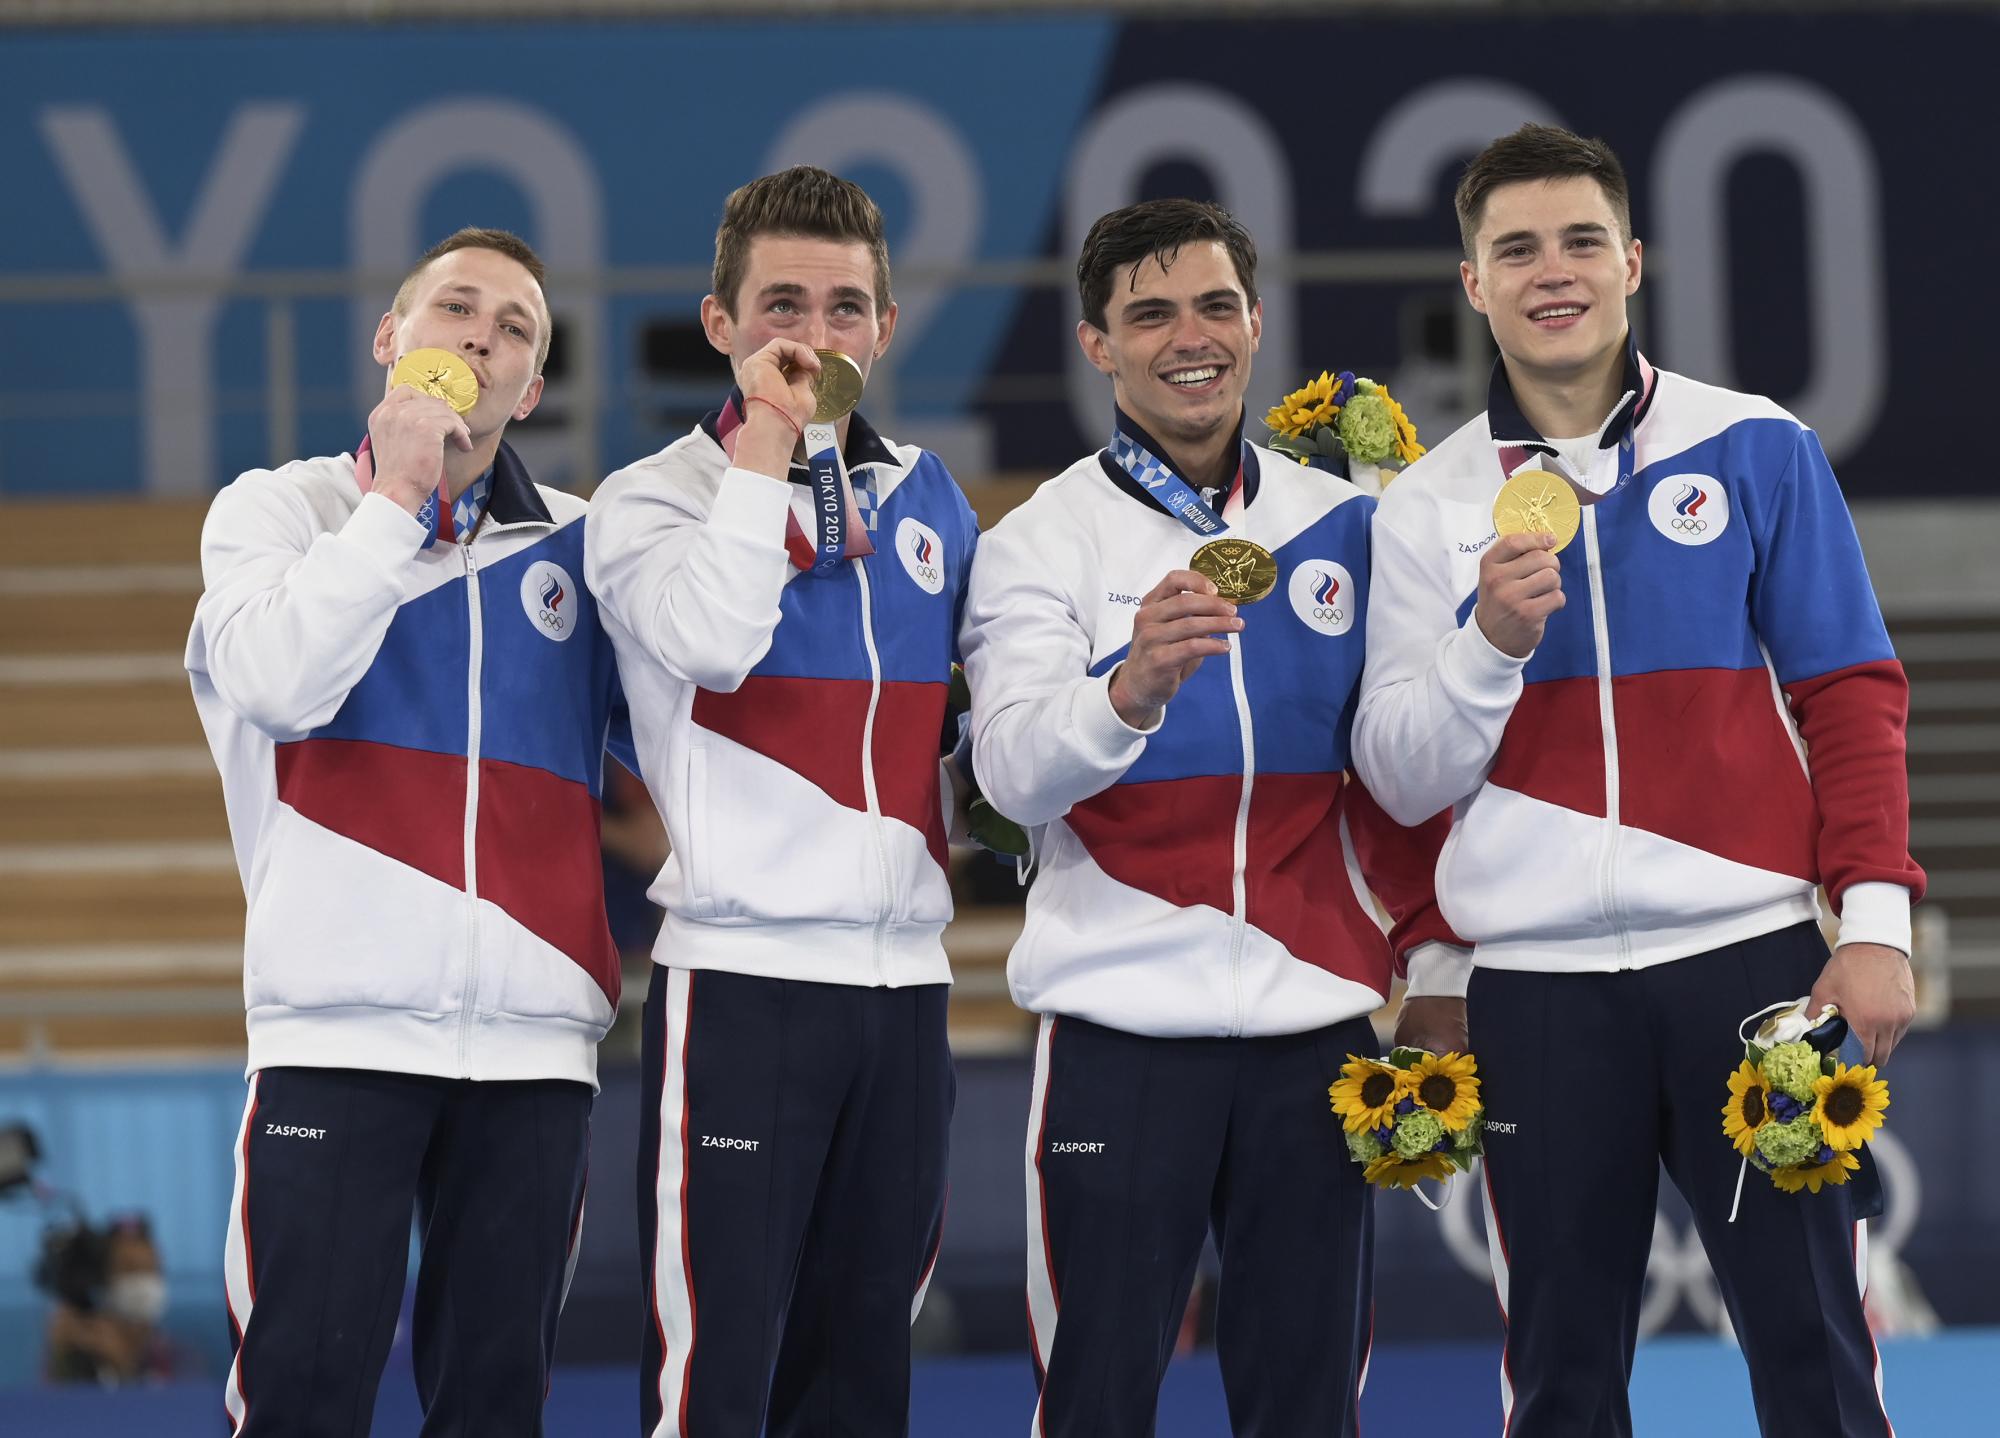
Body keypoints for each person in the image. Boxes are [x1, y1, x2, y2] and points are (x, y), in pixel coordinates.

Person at [1352, 123, 1921, 1437]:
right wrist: (1486, 644)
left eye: (1580, 241)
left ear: (1632, 262)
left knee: (1817, 1350)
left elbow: (1849, 692)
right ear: (1473, 281)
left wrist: (1876, 924)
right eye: (1517, 249)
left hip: (1755, 972)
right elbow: (1395, 772)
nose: (1554, 271)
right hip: (1538, 996)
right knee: (1559, 1375)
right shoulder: (1426, 507)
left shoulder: (1757, 446)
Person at [960, 197, 1459, 1438]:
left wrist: (1438, 954)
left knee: (1307, 1411)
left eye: (1215, 306)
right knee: (1094, 1404)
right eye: (1149, 314)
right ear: (1097, 345)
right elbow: (1009, 777)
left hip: (1317, 1033)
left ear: (1253, 320)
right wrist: (1122, 691)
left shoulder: (1346, 520)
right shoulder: (1038, 541)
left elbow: (1407, 774)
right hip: (1118, 1036)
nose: (1190, 338)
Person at [187, 228, 631, 1437]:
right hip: (336, 1033)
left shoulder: (587, 548)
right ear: (392, 340)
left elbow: (704, 727)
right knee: (302, 1401)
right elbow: (278, 682)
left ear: (531, 390)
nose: (480, 334)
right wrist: (392, 504)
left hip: (536, 1055)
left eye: (515, 328)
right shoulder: (277, 511)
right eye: (454, 309)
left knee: (495, 1410)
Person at [585, 166, 978, 1438]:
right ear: (719, 324)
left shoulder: (931, 503)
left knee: (864, 1359)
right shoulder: (649, 500)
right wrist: (766, 449)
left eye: (845, 307)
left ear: (885, 328)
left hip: (907, 991)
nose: (812, 337)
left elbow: (973, 738)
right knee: (716, 1375)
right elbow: (713, 638)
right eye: (780, 306)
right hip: (742, 986)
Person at [42, 1215, 183, 1386]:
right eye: (129, 1269)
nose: (143, 1284)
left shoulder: (172, 1352)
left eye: (150, 1269)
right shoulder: (74, 1334)